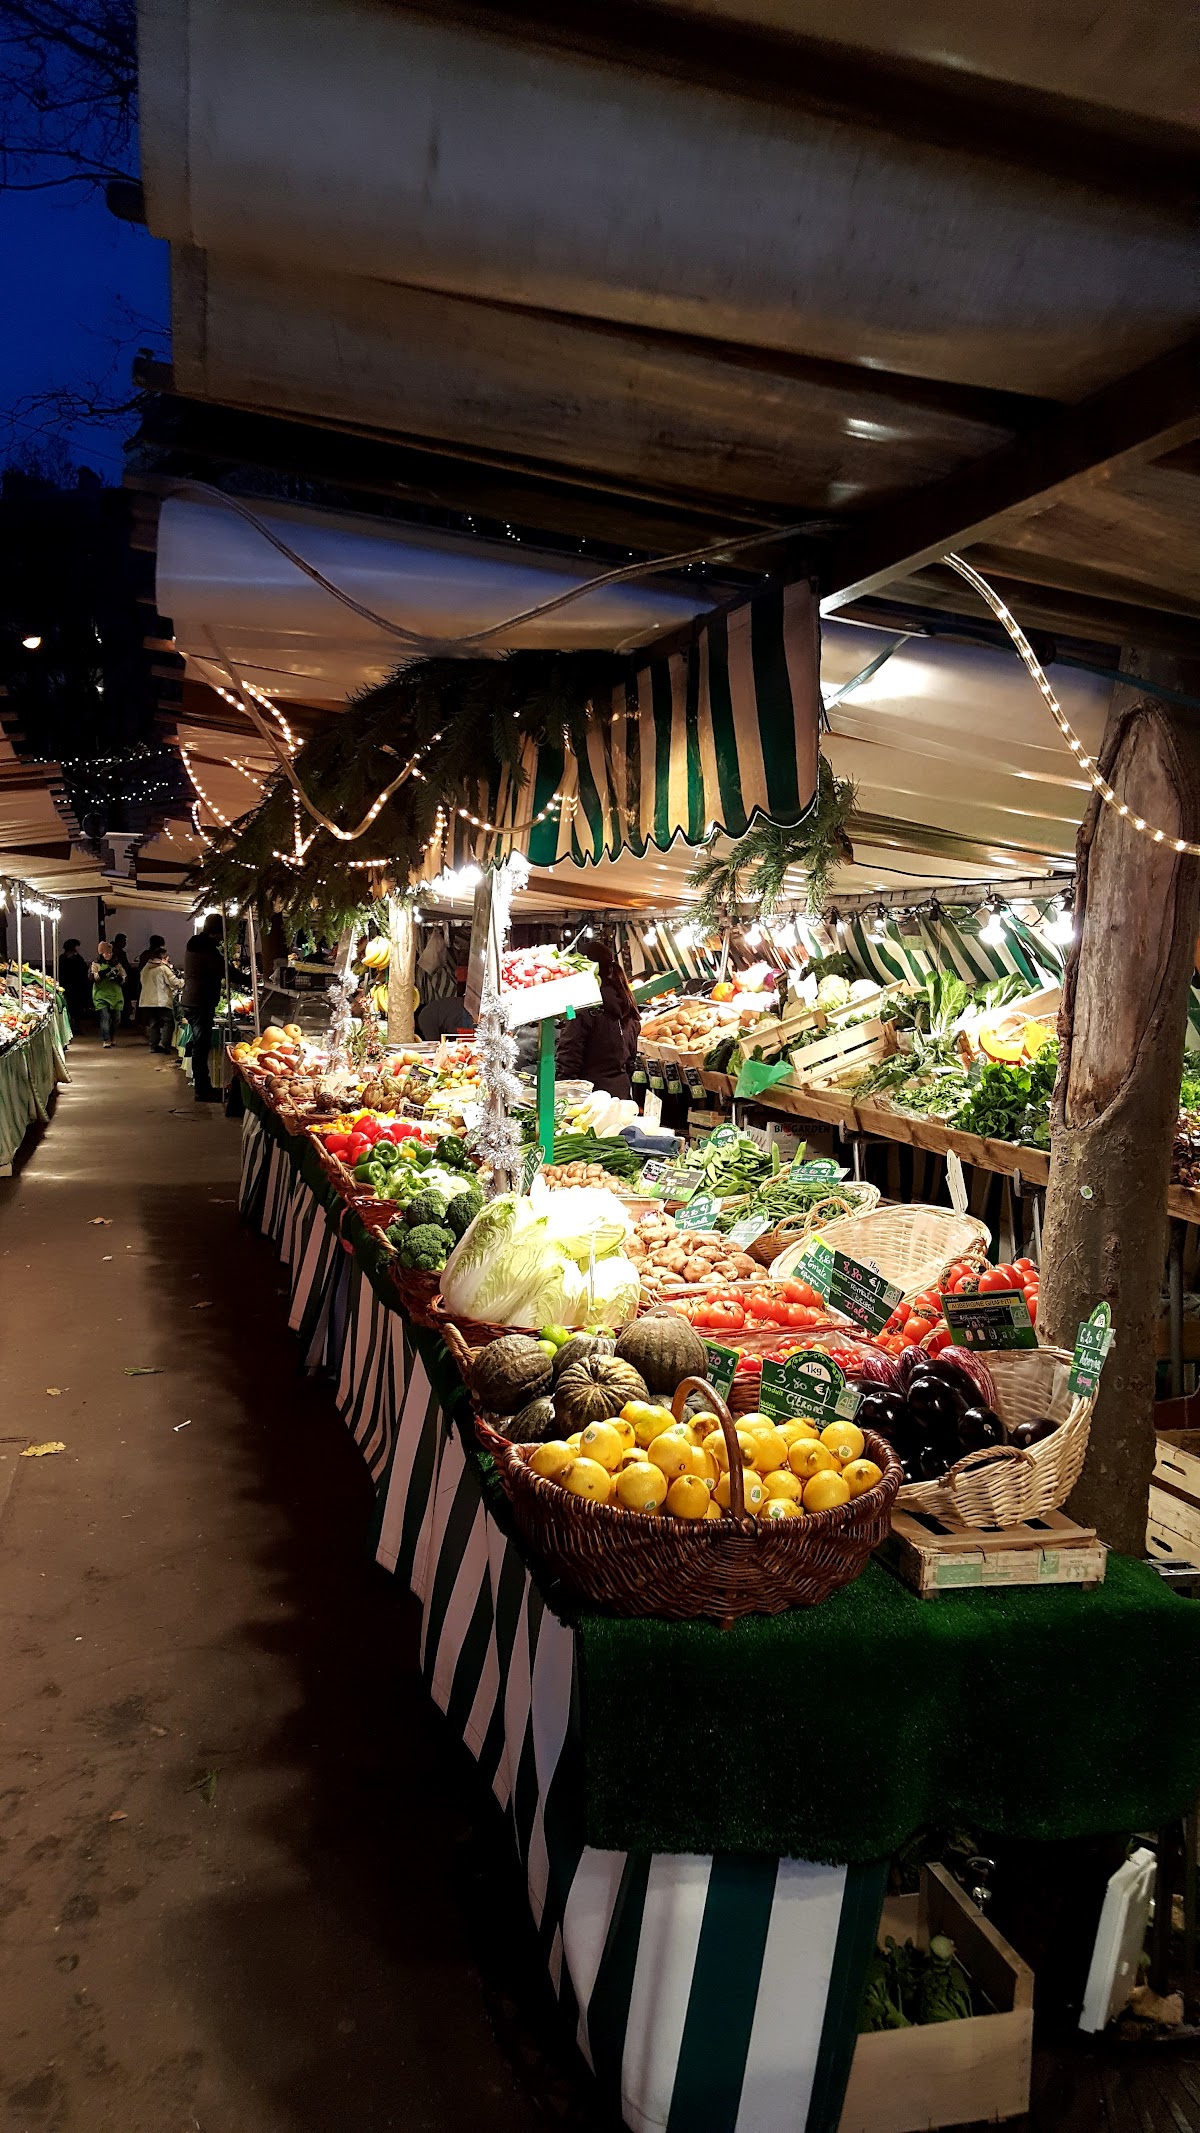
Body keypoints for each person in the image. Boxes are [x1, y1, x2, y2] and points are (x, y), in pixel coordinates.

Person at [555, 944, 641, 1098]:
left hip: (588, 1098)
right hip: (621, 1095)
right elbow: (631, 1062)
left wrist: (562, 1094)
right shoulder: (627, 1004)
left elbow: (569, 1056)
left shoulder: (585, 1008)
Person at [182, 913, 225, 1103]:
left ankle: (202, 1086)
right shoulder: (206, 949)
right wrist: (249, 980)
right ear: (216, 933)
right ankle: (203, 1089)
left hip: (192, 1000)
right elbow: (222, 969)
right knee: (201, 1046)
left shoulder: (195, 945)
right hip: (200, 1002)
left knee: (200, 1044)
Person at [138, 937, 182, 1054]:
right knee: (169, 1022)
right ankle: (164, 1044)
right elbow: (175, 983)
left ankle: (153, 1046)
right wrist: (185, 982)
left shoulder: (145, 968)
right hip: (161, 1000)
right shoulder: (163, 969)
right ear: (163, 958)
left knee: (154, 1023)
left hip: (147, 1001)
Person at [416, 969, 475, 1040]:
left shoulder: (424, 1019)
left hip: (462, 1015)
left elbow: (435, 1044)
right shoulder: (429, 1010)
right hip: (467, 1007)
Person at [89, 942, 126, 1048]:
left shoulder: (117, 964)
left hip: (116, 995)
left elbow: (124, 977)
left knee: (117, 1018)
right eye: (106, 953)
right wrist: (102, 973)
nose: (108, 955)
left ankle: (113, 1036)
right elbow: (92, 978)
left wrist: (118, 978)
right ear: (101, 953)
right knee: (105, 1017)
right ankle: (106, 1039)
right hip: (101, 995)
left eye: (110, 952)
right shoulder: (95, 964)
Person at [57, 938, 91, 1031]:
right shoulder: (65, 958)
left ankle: (75, 1026)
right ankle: (71, 1026)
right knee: (70, 1006)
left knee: (77, 1007)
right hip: (69, 986)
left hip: (76, 986)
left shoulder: (77, 958)